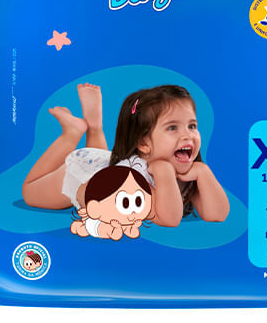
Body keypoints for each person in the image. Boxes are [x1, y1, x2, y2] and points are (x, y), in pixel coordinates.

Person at [22, 83, 229, 227]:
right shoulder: (137, 178)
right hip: (80, 178)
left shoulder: (187, 172)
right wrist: (164, 173)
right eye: (172, 128)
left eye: (192, 126)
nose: (188, 135)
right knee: (30, 191)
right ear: (144, 144)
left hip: (106, 167)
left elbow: (217, 214)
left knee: (106, 163)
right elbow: (169, 219)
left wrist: (204, 173)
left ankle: (94, 126)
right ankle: (71, 134)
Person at [70, 165, 153, 240]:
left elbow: (133, 233)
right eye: (125, 204)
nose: (133, 212)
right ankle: (78, 226)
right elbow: (115, 235)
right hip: (94, 225)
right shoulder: (110, 225)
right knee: (83, 229)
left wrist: (134, 226)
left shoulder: (125, 221)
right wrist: (117, 227)